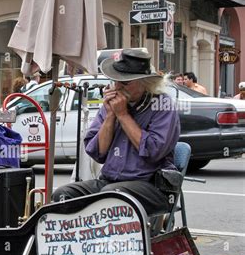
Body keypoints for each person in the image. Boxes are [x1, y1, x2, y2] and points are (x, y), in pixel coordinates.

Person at [52, 49, 180, 217]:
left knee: (111, 195)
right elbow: (98, 152)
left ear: (144, 83)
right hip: (109, 181)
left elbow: (153, 150)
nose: (118, 87)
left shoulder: (162, 105)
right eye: (115, 81)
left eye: (125, 83)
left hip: (150, 185)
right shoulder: (111, 104)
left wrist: (123, 115)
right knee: (63, 195)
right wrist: (111, 115)